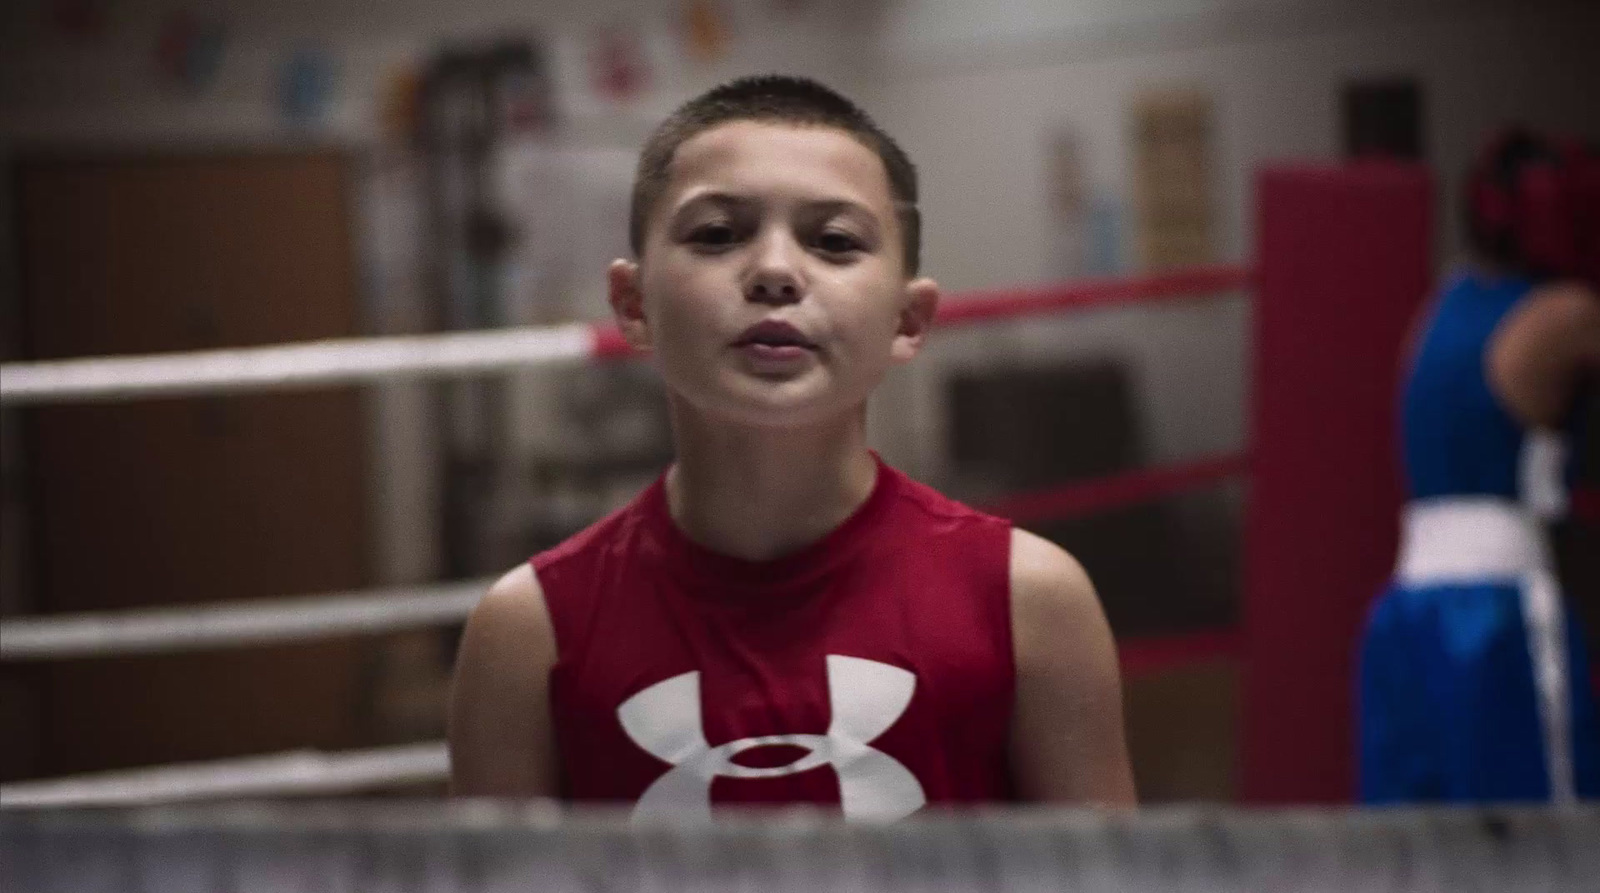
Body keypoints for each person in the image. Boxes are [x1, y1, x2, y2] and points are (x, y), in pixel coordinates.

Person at [447, 75, 1135, 816]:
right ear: (634, 304)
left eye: (834, 240)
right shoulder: (528, 632)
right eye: (717, 233)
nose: (776, 270)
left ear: (907, 319)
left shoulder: (1027, 601)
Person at [1360, 128, 1600, 803]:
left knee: (1414, 851)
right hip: (1503, 611)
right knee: (1550, 845)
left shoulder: (1437, 308)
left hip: (1403, 612)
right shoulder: (1566, 314)